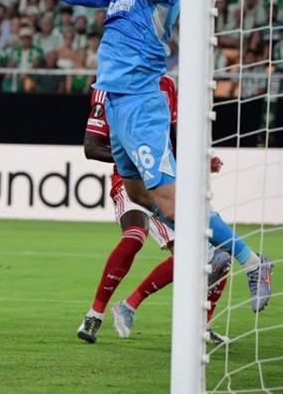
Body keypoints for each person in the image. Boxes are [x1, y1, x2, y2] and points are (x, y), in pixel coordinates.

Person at [60, 0, 272, 334]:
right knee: (139, 193)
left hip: (141, 103)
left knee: (171, 200)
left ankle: (252, 260)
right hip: (116, 105)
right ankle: (206, 242)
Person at [78, 77, 233, 343]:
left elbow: (175, 139)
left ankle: (195, 326)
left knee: (215, 255)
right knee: (135, 234)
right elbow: (91, 148)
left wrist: (201, 160)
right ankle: (94, 316)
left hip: (166, 181)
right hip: (130, 180)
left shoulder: (167, 85)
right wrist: (135, 158)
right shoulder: (106, 88)